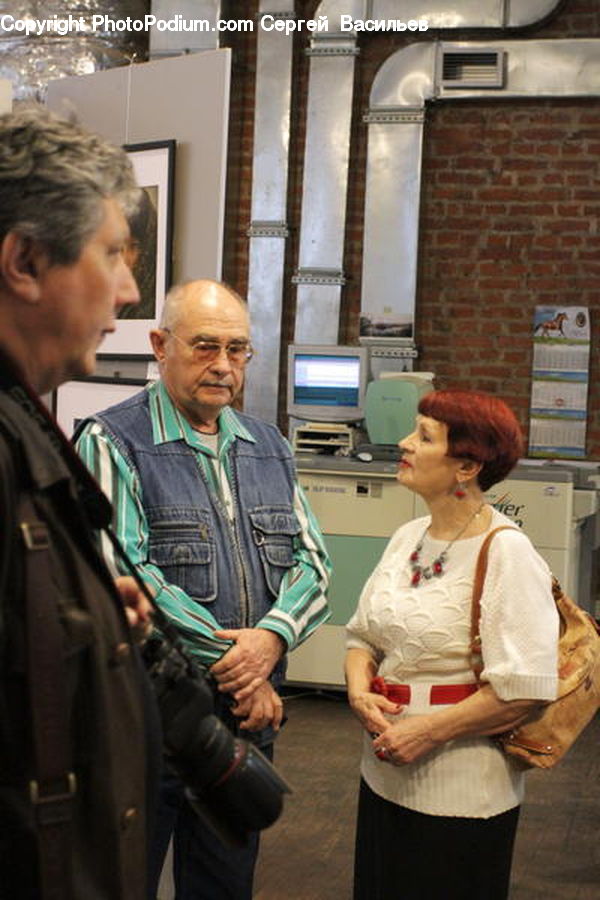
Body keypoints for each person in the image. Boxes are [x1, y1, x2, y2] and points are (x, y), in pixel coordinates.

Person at [75, 278, 332, 900]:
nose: (223, 366)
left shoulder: (268, 446)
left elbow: (315, 565)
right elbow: (122, 571)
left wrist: (271, 639)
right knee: (123, 879)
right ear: (161, 345)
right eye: (205, 346)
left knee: (225, 884)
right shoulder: (113, 440)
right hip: (152, 719)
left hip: (246, 724)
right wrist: (239, 665)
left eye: (238, 350)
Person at [0, 106, 161, 899]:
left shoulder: (22, 418)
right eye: (110, 255)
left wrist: (82, 610)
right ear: (25, 261)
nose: (130, 290)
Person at [345, 389, 559, 900]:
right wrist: (357, 692)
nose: (404, 443)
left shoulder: (507, 551)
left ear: (466, 466)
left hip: (461, 794)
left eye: (423, 436)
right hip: (383, 775)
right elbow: (361, 635)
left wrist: (426, 734)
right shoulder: (408, 537)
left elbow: (526, 689)